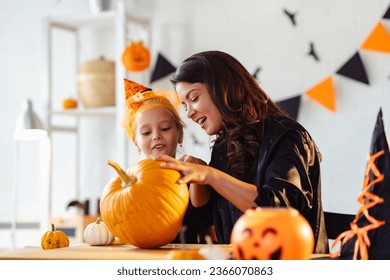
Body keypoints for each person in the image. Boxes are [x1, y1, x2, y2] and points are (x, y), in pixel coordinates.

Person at [154, 50, 329, 254]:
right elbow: (205, 223)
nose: (189, 112)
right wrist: (199, 178)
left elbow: (277, 211)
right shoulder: (223, 146)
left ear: (223, 87)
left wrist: (212, 176)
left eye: (193, 98)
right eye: (184, 106)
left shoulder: (288, 136)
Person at [121, 78, 213, 244]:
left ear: (180, 134)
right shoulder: (129, 182)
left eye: (165, 128)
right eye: (146, 132)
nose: (156, 135)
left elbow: (203, 220)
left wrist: (198, 179)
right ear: (136, 142)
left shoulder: (193, 170)